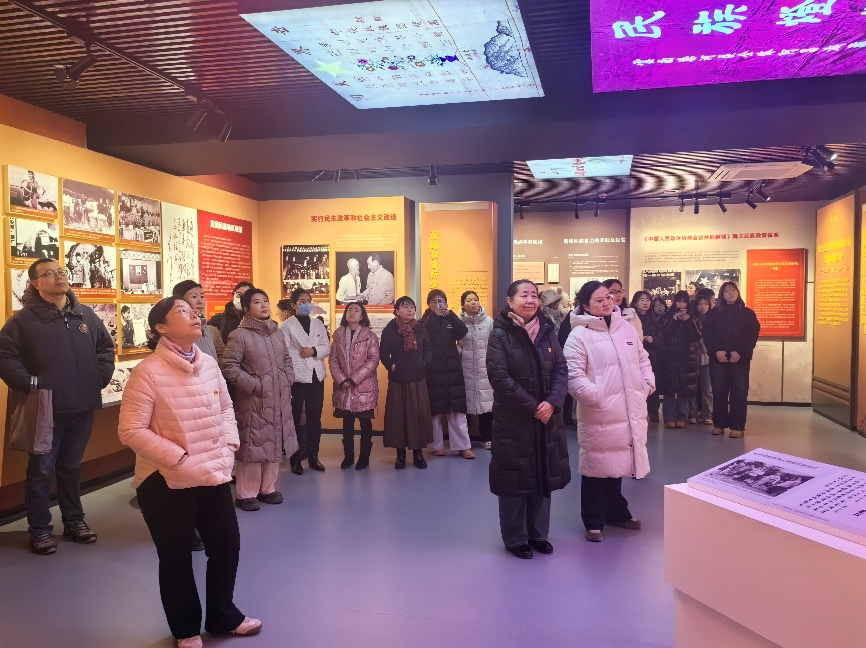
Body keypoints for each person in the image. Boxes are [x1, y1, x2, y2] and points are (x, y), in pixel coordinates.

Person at [117, 297, 261, 647]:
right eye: (180, 311)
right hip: (166, 479)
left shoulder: (208, 363)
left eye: (192, 310)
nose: (194, 314)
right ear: (161, 328)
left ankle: (223, 615)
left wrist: (228, 445)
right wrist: (179, 457)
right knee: (176, 556)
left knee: (226, 546)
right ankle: (185, 629)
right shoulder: (148, 371)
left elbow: (226, 407)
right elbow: (131, 431)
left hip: (211, 472)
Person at [0, 258, 114, 555]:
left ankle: (74, 521)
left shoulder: (85, 315)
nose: (59, 276)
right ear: (35, 283)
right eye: (49, 273)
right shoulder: (22, 321)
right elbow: (5, 356)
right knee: (41, 471)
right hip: (44, 409)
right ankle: (39, 529)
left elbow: (105, 347)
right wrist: (30, 383)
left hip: (82, 406)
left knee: (71, 468)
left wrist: (99, 377)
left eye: (61, 271)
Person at [563, 280, 654, 543]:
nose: (606, 303)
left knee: (618, 463)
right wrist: (596, 396)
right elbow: (573, 375)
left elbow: (643, 359)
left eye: (609, 297)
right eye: (599, 300)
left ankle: (616, 512)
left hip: (629, 408)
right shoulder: (579, 335)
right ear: (585, 305)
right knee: (596, 465)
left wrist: (647, 384)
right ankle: (593, 520)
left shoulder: (625, 327)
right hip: (600, 411)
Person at [487, 280, 569, 559]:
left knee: (543, 475)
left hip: (547, 419)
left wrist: (552, 402)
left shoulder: (547, 330)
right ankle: (515, 538)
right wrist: (535, 407)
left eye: (534, 295)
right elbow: (500, 377)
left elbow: (561, 369)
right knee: (514, 478)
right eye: (524, 295)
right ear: (510, 301)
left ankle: (538, 534)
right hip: (514, 421)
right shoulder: (500, 334)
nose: (531, 300)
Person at [222, 288, 298, 511]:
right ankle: (246, 494)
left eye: (265, 300)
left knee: (274, 442)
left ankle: (268, 488)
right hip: (254, 401)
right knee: (252, 446)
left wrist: (288, 379)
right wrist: (254, 385)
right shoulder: (240, 335)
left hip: (279, 397)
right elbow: (229, 366)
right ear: (246, 308)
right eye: (257, 302)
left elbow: (287, 359)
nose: (263, 305)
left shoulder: (277, 332)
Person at [379, 296, 433, 469]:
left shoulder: (421, 328)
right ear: (397, 311)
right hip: (399, 378)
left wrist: (425, 363)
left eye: (412, 307)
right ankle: (400, 455)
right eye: (405, 307)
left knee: (419, 415)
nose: (409, 310)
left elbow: (428, 349)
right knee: (399, 416)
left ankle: (418, 453)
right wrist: (392, 366)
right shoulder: (390, 330)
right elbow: (383, 353)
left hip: (418, 377)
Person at [702, 281, 760, 438]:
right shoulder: (713, 314)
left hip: (740, 359)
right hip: (718, 359)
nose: (730, 293)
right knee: (719, 390)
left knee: (739, 391)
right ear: (722, 294)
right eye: (726, 291)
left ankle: (737, 426)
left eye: (733, 290)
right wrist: (716, 350)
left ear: (738, 292)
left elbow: (752, 334)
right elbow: (707, 333)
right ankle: (719, 424)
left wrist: (739, 352)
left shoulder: (747, 314)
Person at [282, 288, 331, 473]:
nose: (306, 304)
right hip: (297, 378)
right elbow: (285, 352)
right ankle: (295, 459)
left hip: (316, 376)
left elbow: (327, 347)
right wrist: (304, 352)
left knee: (314, 419)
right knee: (294, 419)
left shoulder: (317, 324)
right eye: (302, 301)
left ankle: (313, 456)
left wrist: (313, 351)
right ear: (294, 305)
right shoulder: (286, 326)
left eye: (308, 300)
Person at [421, 289, 474, 459]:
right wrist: (434, 316)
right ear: (428, 304)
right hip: (433, 371)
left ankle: (463, 446)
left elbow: (462, 331)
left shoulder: (450, 318)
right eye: (434, 301)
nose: (438, 304)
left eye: (441, 301)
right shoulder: (425, 320)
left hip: (453, 370)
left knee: (457, 410)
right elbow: (422, 335)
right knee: (435, 412)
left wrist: (450, 314)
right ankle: (436, 446)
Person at [329, 303, 380, 470]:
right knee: (347, 423)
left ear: (362, 316)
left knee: (365, 423)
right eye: (349, 310)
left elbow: (373, 360)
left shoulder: (370, 336)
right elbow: (333, 360)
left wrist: (354, 379)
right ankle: (348, 457)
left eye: (356, 310)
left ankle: (364, 457)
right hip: (343, 387)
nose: (352, 312)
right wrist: (342, 379)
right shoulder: (338, 334)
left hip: (364, 387)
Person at [657, 290, 701, 429]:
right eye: (679, 301)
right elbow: (662, 335)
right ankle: (669, 417)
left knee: (684, 388)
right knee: (669, 387)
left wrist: (689, 321)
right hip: (669, 356)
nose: (681, 305)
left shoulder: (693, 318)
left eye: (684, 302)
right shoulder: (666, 317)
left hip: (687, 357)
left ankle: (682, 416)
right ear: (674, 302)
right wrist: (673, 320)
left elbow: (697, 337)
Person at [459, 290, 494, 450]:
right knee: (465, 405)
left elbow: (495, 343)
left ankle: (487, 437)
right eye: (469, 300)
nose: (473, 302)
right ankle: (464, 441)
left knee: (487, 404)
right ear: (463, 305)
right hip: (465, 368)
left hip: (484, 367)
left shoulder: (488, 321)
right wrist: (460, 352)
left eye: (475, 299)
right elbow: (455, 343)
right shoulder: (458, 323)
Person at [173, 280, 225, 366]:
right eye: (194, 297)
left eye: (202, 296)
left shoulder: (212, 331)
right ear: (180, 301)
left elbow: (222, 359)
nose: (200, 301)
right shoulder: (177, 332)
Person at [630, 290, 662, 423]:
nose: (645, 303)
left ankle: (653, 411)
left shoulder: (653, 320)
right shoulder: (630, 318)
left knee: (651, 383)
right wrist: (640, 338)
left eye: (648, 300)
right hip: (633, 357)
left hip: (650, 357)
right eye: (642, 300)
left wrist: (652, 340)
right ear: (635, 302)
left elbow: (661, 340)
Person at [690, 295, 714, 426]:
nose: (703, 306)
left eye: (706, 304)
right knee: (693, 387)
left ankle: (707, 414)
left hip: (708, 357)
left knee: (707, 387)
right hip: (693, 356)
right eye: (700, 304)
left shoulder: (713, 319)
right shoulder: (691, 320)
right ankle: (692, 413)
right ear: (696, 306)